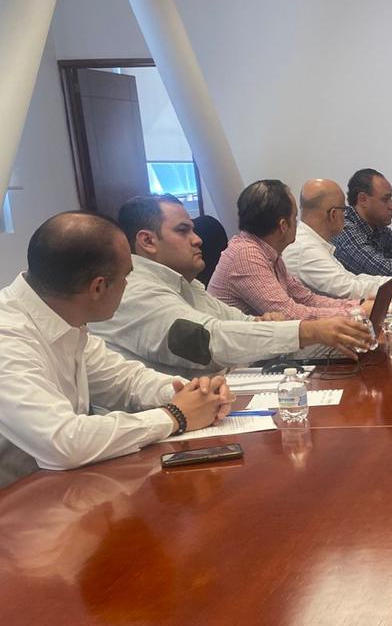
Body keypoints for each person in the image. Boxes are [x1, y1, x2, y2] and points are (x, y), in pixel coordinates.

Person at [0, 212, 232, 487]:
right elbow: (62, 442)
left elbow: (126, 381)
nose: (127, 285)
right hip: (17, 500)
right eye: (126, 276)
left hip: (56, 488)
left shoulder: (64, 318)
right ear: (99, 287)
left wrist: (193, 393)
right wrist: (175, 416)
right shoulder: (8, 336)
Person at [91, 194, 371, 373]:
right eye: (183, 231)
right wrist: (309, 330)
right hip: (163, 423)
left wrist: (263, 324)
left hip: (212, 396)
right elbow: (210, 340)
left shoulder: (185, 283)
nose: (197, 239)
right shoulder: (136, 292)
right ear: (147, 241)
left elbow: (235, 321)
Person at [209, 180, 373, 321]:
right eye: (295, 217)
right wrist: (357, 312)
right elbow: (289, 314)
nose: (298, 223)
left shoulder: (268, 253)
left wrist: (358, 305)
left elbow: (307, 299)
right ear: (283, 225)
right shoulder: (246, 255)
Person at [284, 179, 392, 300]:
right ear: (334, 214)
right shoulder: (306, 249)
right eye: (344, 210)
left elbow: (353, 279)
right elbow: (349, 289)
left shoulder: (313, 242)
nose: (346, 215)